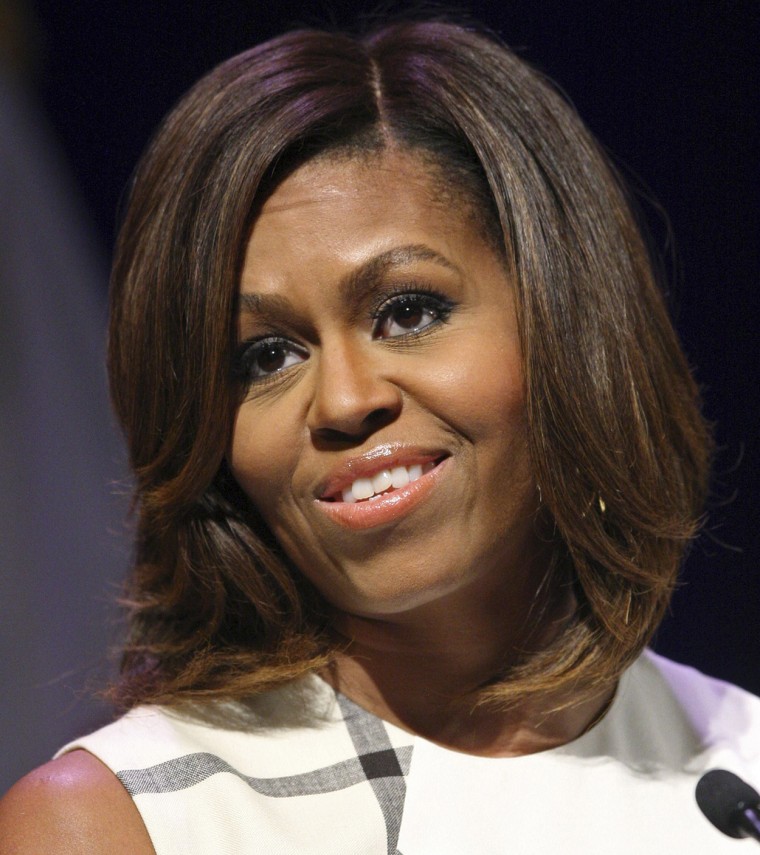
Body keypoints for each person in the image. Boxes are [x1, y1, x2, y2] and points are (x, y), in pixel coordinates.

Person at [1, 18, 758, 854]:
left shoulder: (740, 771)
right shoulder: (119, 822)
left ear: (564, 322)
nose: (345, 400)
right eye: (267, 356)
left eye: (407, 311)